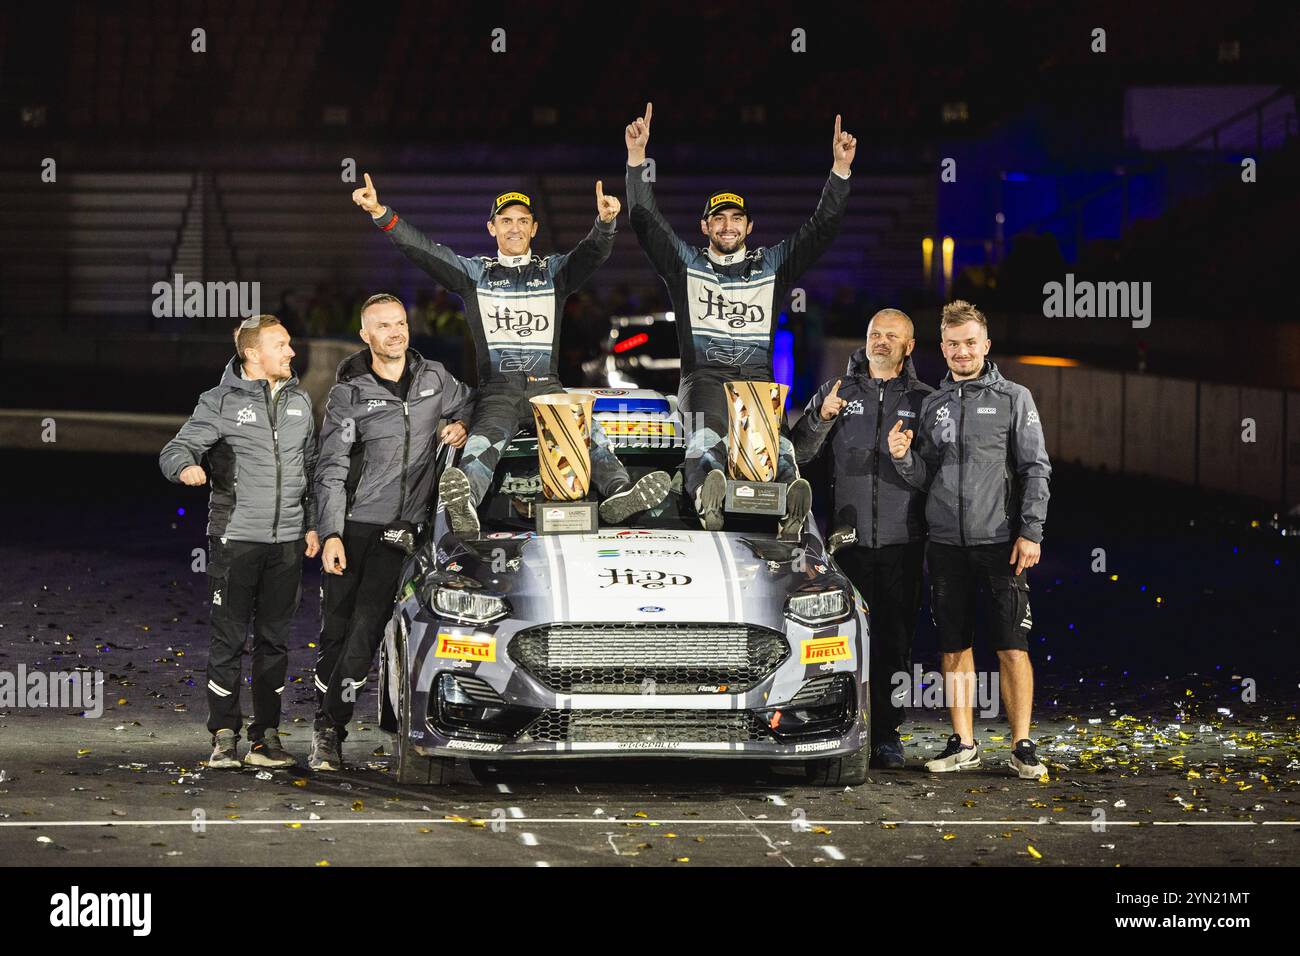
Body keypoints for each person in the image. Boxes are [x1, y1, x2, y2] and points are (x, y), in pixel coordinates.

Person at [351, 175, 669, 535]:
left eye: (522, 221)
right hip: (498, 391)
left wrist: (605, 224)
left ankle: (619, 494)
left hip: (546, 387)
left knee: (588, 433)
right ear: (491, 228)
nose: (514, 228)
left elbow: (590, 254)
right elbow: (425, 250)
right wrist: (381, 213)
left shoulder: (553, 273)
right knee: (480, 446)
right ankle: (464, 503)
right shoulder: (475, 275)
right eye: (506, 221)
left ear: (534, 228)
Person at [623, 102, 855, 539]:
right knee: (703, 441)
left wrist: (839, 171)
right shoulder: (685, 265)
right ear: (705, 227)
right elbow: (645, 221)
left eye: (736, 219)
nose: (727, 226)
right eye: (718, 219)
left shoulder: (773, 265)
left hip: (757, 380)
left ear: (750, 226)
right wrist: (638, 160)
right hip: (704, 378)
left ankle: (792, 505)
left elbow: (821, 228)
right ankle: (707, 498)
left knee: (779, 450)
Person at [888, 300, 1052, 780]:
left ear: (986, 345)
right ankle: (963, 742)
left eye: (970, 343)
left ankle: (1022, 744)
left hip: (1001, 542)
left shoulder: (1014, 398)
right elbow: (923, 476)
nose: (962, 352)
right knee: (953, 645)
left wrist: (1030, 531)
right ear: (942, 348)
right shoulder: (933, 404)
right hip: (944, 544)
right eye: (953, 344)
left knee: (1011, 644)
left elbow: (1035, 468)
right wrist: (902, 458)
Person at [309, 294, 473, 771]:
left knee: (366, 626)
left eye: (400, 322)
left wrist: (461, 421)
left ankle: (328, 730)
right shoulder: (349, 394)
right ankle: (325, 718)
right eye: (383, 326)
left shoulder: (435, 379)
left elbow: (476, 402)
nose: (395, 332)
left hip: (402, 529)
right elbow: (332, 469)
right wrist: (331, 532)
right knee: (336, 633)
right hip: (354, 525)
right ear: (366, 336)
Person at [159, 315, 320, 769]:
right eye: (282, 344)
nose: (292, 352)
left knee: (275, 642)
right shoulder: (219, 400)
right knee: (228, 640)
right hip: (235, 541)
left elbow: (309, 469)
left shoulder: (301, 401)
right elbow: (175, 449)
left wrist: (310, 525)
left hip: (286, 542)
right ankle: (224, 735)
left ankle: (265, 738)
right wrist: (186, 468)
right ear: (253, 353)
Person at [792, 309, 933, 768]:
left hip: (903, 541)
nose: (882, 341)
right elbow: (798, 455)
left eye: (893, 336)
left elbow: (932, 477)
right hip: (845, 545)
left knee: (894, 641)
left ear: (909, 347)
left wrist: (906, 458)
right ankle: (831, 726)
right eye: (875, 333)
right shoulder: (836, 392)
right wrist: (819, 418)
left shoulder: (925, 400)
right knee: (839, 641)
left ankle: (887, 735)